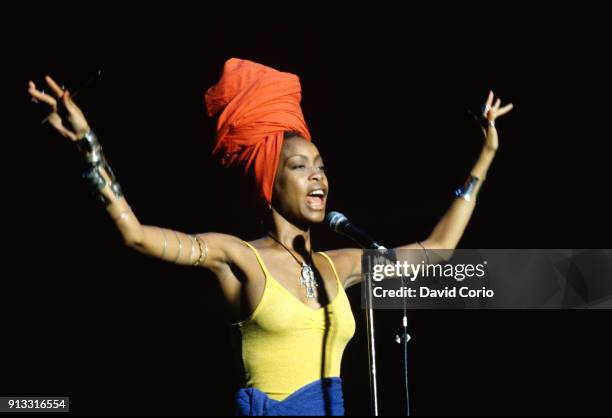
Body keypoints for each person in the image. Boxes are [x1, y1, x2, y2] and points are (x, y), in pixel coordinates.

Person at [27, 58, 513, 416]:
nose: (318, 177)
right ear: (269, 180)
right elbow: (134, 235)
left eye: (321, 167)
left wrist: (485, 158)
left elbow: (436, 250)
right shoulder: (239, 257)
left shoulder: (335, 265)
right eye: (300, 167)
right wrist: (88, 146)